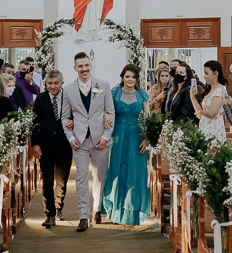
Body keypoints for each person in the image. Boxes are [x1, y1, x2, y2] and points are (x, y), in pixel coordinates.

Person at [61, 52, 115, 232]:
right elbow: (65, 117)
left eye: (86, 65)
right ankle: (83, 216)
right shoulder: (68, 90)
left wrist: (106, 136)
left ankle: (96, 209)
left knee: (99, 178)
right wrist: (71, 138)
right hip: (80, 141)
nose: (84, 69)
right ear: (75, 68)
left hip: (100, 139)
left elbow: (111, 112)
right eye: (80, 66)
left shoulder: (103, 85)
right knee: (81, 179)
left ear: (90, 65)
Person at [101, 64, 151, 225]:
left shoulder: (142, 94)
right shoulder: (114, 92)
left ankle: (131, 214)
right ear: (122, 77)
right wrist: (104, 115)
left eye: (133, 77)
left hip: (137, 138)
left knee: (134, 174)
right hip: (117, 136)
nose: (130, 80)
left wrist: (147, 139)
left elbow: (148, 118)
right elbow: (101, 107)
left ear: (137, 79)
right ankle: (115, 211)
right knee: (116, 171)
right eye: (127, 76)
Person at [31, 70, 73, 227]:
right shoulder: (41, 99)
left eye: (56, 83)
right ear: (45, 84)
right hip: (46, 145)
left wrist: (74, 123)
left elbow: (76, 115)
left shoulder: (69, 98)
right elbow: (35, 122)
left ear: (62, 83)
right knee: (47, 180)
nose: (53, 86)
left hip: (64, 144)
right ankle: (49, 214)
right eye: (49, 83)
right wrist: (35, 144)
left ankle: (58, 208)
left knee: (62, 181)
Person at [190, 60, 229, 145]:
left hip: (214, 129)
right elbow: (201, 111)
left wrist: (200, 112)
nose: (204, 76)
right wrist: (192, 98)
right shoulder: (210, 89)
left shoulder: (220, 90)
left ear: (215, 73)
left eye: (207, 73)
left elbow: (212, 113)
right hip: (205, 127)